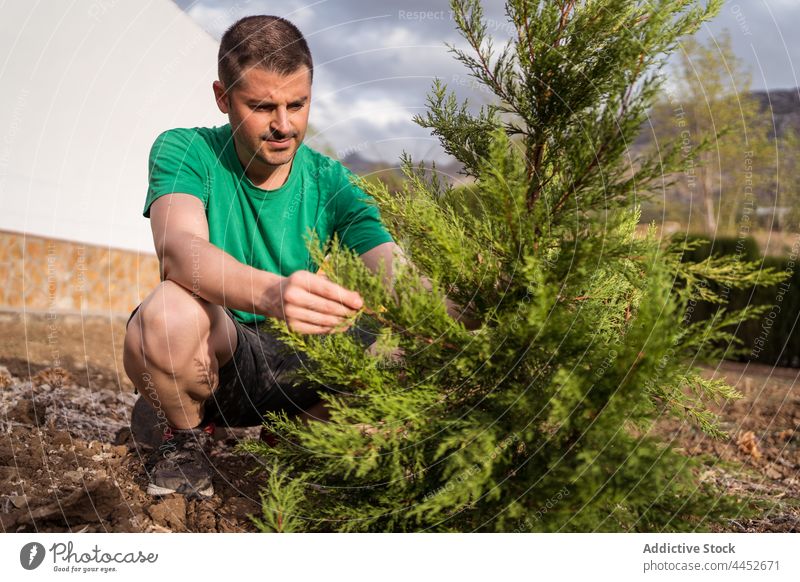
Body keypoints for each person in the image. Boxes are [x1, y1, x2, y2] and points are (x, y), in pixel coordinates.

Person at [122, 15, 475, 499]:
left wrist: (484, 315)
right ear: (223, 97)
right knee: (166, 314)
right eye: (262, 106)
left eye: (298, 104)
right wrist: (272, 293)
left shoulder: (332, 182)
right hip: (227, 351)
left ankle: (290, 435)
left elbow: (397, 273)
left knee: (398, 348)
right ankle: (185, 435)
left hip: (301, 362)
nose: (284, 126)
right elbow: (181, 252)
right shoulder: (186, 150)